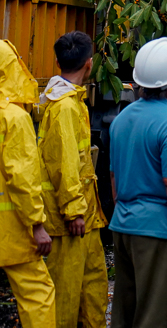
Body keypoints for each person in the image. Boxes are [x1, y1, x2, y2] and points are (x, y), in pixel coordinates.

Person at [109, 37, 167, 328]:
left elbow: (115, 177)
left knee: (126, 314)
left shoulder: (122, 119)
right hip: (159, 233)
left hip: (124, 226)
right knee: (156, 317)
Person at [37, 32, 108, 328]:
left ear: (57, 62)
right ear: (89, 64)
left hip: (85, 216)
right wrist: (73, 210)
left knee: (93, 288)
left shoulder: (69, 101)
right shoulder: (65, 105)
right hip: (70, 219)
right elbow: (64, 163)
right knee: (65, 296)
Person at [0, 40, 55, 328]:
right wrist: (37, 224)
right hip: (11, 227)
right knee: (38, 294)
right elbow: (20, 177)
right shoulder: (14, 118)